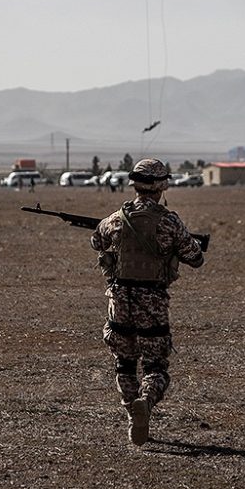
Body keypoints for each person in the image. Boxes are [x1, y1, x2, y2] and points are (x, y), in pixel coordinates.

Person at [90, 158, 205, 446]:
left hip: (119, 299)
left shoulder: (116, 218)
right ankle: (145, 402)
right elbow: (196, 258)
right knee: (155, 366)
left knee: (125, 363)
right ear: (161, 185)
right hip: (151, 301)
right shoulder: (169, 221)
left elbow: (97, 242)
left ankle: (133, 415)